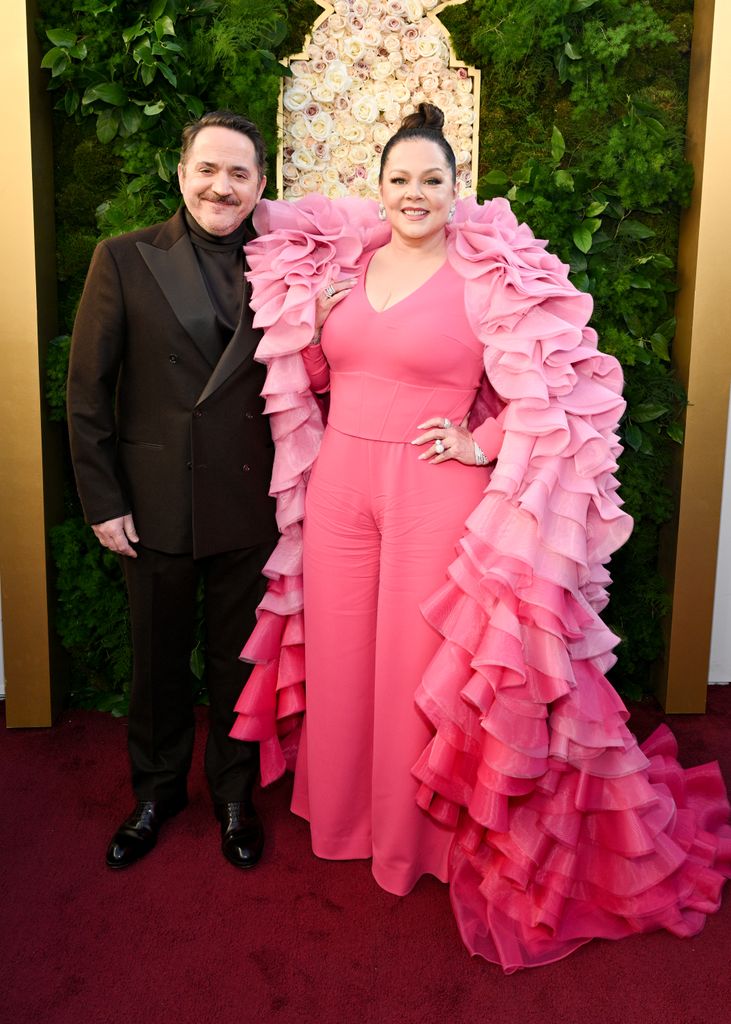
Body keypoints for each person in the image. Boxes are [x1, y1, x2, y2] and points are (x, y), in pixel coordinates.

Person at [231, 104, 731, 970]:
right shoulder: (347, 270)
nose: (413, 193)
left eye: (431, 179)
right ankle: (342, 815)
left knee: (416, 669)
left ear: (457, 190)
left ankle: (413, 842)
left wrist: (481, 442)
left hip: (435, 491)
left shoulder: (487, 279)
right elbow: (313, 381)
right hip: (342, 486)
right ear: (377, 188)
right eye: (399, 180)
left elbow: (551, 387)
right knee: (347, 654)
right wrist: (311, 329)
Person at [67, 110, 278, 870]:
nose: (221, 186)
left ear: (261, 183)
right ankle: (156, 792)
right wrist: (103, 500)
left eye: (239, 173)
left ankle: (232, 793)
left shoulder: (291, 262)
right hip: (151, 503)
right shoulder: (122, 257)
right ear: (180, 171)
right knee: (156, 662)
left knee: (238, 663)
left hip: (253, 503)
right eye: (207, 169)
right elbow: (86, 392)